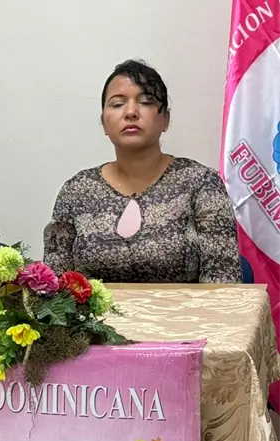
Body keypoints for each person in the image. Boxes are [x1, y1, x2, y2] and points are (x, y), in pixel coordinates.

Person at [43, 60, 242, 283]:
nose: (131, 112)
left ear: (165, 119)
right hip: (97, 308)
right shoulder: (77, 191)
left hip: (186, 307)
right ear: (103, 123)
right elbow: (54, 287)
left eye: (146, 102)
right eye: (118, 104)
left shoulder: (201, 182)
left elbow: (223, 284)